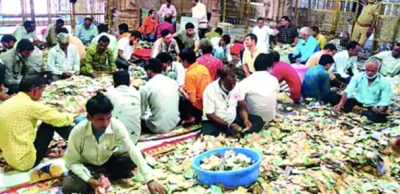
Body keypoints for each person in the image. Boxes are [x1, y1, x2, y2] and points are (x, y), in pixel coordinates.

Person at [62, 92, 166, 194]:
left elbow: (132, 150)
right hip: (86, 165)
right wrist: (89, 180)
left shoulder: (116, 125)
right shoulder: (78, 131)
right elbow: (71, 162)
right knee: (69, 187)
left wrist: (150, 180)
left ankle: (101, 174)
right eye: (100, 119)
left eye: (108, 118)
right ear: (89, 117)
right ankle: (99, 176)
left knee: (137, 157)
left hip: (107, 161)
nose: (106, 123)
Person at [0, 74, 74, 171]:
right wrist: (72, 117)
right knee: (52, 123)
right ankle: (81, 144)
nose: (41, 94)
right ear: (35, 90)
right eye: (41, 91)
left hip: (9, 157)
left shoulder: (7, 102)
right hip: (25, 161)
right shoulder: (30, 105)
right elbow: (60, 119)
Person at [201, 68, 264, 136]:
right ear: (222, 80)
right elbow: (210, 115)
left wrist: (246, 120)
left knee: (258, 120)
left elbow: (241, 105)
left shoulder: (237, 87)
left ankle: (236, 132)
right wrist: (228, 125)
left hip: (232, 117)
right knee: (207, 134)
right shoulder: (210, 90)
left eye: (234, 83)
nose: (233, 86)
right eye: (230, 84)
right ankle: (230, 132)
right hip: (215, 121)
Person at [334, 59, 392, 123]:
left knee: (380, 118)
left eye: (372, 71)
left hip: (373, 105)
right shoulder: (358, 76)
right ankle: (362, 112)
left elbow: (385, 100)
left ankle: (359, 111)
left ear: (378, 70)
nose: (369, 73)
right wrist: (341, 104)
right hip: (359, 101)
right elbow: (348, 91)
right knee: (336, 98)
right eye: (367, 70)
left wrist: (379, 110)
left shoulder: (384, 82)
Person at [141, 59, 180, 134]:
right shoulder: (173, 82)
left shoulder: (147, 87)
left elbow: (141, 111)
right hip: (174, 122)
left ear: (149, 71)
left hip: (156, 127)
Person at [240, 54, 279, 123]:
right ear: (268, 68)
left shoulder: (247, 81)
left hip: (253, 119)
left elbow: (236, 95)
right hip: (270, 117)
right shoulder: (274, 80)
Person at [105, 71, 141, 144]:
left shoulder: (108, 95)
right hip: (134, 141)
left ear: (114, 83)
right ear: (129, 83)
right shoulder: (137, 93)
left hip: (113, 146)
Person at [179, 49, 212, 124]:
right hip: (208, 101)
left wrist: (183, 92)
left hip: (199, 107)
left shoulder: (190, 74)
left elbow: (192, 100)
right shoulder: (203, 68)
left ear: (185, 61)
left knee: (181, 98)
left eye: (181, 61)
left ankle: (191, 117)